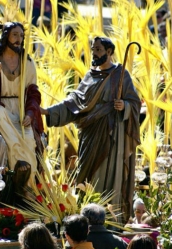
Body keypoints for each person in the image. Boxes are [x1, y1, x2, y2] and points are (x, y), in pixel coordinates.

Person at [40, 36, 141, 222]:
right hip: (90, 134)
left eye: (98, 50)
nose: (94, 53)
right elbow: (74, 102)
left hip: (112, 135)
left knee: (108, 174)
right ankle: (87, 218)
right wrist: (48, 111)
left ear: (109, 52)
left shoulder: (121, 74)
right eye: (93, 49)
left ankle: (110, 220)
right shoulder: (90, 75)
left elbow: (135, 102)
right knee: (87, 176)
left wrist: (124, 105)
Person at [0, 21, 44, 200]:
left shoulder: (27, 62)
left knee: (30, 143)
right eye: (15, 35)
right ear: (6, 35)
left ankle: (29, 191)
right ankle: (14, 175)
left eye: (21, 36)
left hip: (22, 112)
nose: (18, 40)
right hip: (2, 109)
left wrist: (30, 113)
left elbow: (33, 91)